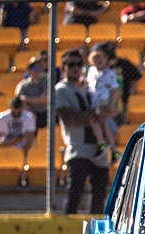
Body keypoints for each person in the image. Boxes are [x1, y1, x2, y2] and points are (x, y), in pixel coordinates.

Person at [55, 49, 111, 214]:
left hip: (99, 147)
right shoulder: (61, 89)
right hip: (79, 147)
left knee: (100, 193)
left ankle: (95, 227)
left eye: (79, 64)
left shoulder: (89, 86)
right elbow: (69, 119)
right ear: (63, 67)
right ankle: (67, 228)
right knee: (75, 191)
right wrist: (94, 113)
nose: (75, 68)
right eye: (71, 64)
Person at [86, 43, 119, 159]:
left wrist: (111, 104)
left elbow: (115, 90)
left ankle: (101, 143)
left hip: (102, 101)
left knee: (94, 120)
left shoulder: (109, 73)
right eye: (95, 57)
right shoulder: (91, 71)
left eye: (101, 57)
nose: (98, 60)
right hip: (93, 100)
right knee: (104, 125)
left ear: (106, 59)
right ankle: (114, 150)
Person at [15, 57, 48, 130]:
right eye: (35, 68)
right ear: (29, 70)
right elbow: (20, 102)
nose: (37, 71)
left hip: (45, 113)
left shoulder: (47, 82)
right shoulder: (23, 85)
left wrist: (27, 99)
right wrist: (31, 114)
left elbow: (45, 99)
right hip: (29, 114)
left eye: (39, 68)